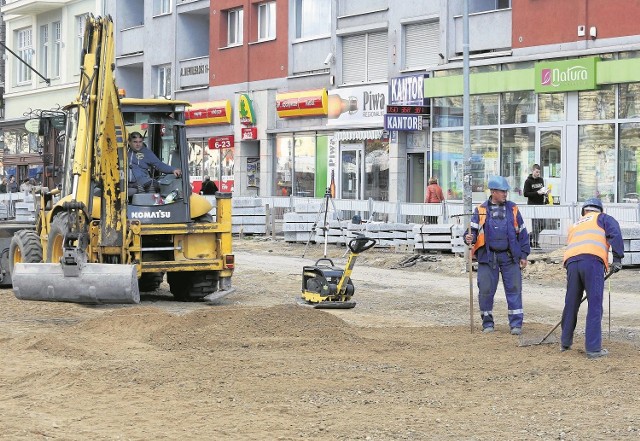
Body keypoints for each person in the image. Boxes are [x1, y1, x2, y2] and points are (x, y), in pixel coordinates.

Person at [464, 176, 530, 335]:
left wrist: (523, 254)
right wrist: (468, 238)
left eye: (506, 192)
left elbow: (522, 232)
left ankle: (516, 325)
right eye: (502, 191)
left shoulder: (513, 209)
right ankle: (487, 323)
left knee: (514, 290)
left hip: (509, 257)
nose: (505, 194)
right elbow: (470, 232)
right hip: (488, 257)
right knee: (485, 290)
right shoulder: (480, 210)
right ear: (493, 192)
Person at [561, 198, 624, 359]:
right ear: (599, 209)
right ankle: (593, 348)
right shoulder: (602, 218)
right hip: (592, 262)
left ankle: (565, 342)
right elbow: (614, 233)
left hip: (572, 263)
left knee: (571, 303)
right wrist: (617, 259)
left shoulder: (576, 224)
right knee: (595, 305)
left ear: (584, 211)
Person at [523, 164, 547, 249]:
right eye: (536, 172)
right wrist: (537, 193)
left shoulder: (541, 180)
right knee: (535, 225)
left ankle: (529, 236)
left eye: (539, 172)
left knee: (543, 224)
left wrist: (545, 192)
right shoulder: (528, 181)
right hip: (533, 205)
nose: (538, 174)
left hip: (541, 204)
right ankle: (535, 242)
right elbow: (525, 194)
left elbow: (542, 189)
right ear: (532, 171)